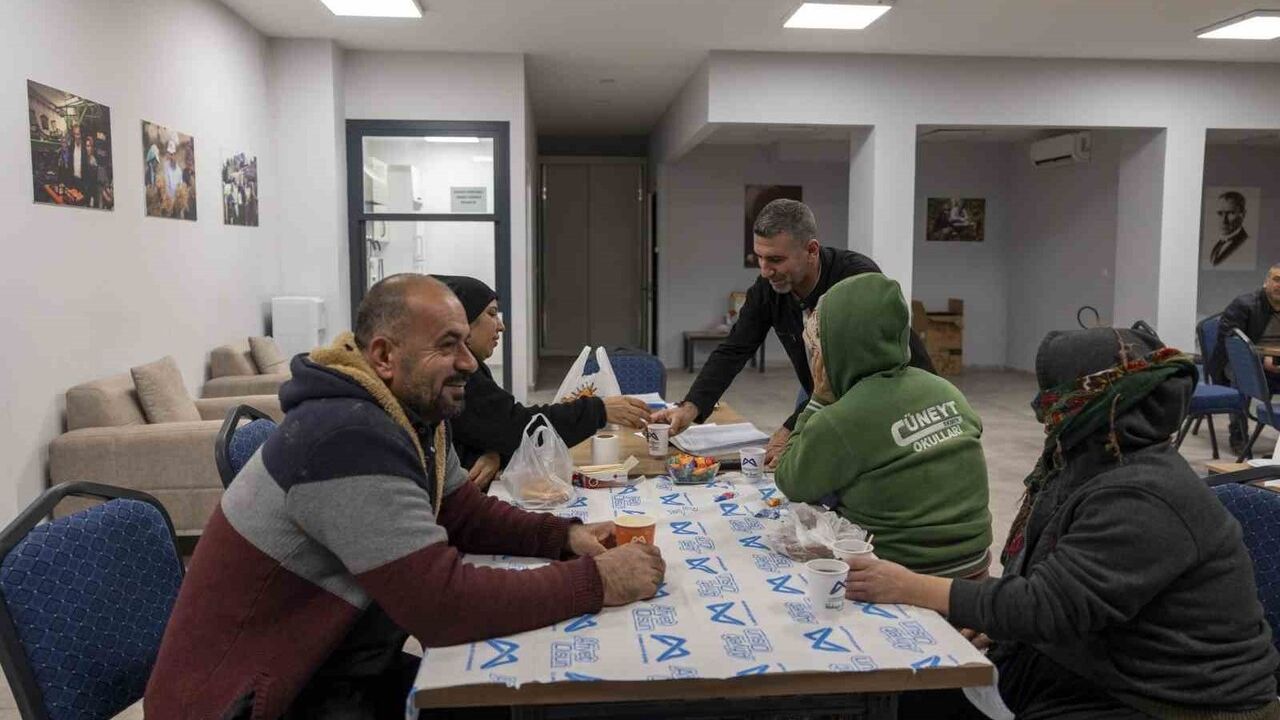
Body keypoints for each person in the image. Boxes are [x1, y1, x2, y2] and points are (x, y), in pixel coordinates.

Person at [145, 274, 666, 720]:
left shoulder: (412, 412)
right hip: (252, 700)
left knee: (495, 701)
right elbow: (440, 605)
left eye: (466, 341)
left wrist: (565, 535)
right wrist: (597, 580)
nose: (468, 363)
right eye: (446, 345)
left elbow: (462, 512)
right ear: (385, 356)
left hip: (330, 659)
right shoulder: (347, 436)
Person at [844, 327, 1280, 719]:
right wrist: (997, 619)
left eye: (1052, 398)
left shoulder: (1143, 494)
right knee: (914, 694)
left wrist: (909, 586)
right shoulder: (1093, 461)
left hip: (1173, 702)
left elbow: (1046, 607)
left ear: (1082, 406)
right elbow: (1056, 589)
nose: (1044, 412)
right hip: (1099, 664)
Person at [651, 199, 935, 466]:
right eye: (759, 258)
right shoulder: (768, 288)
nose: (765, 271)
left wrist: (792, 427)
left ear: (811, 250)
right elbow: (735, 348)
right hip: (820, 386)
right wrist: (691, 407)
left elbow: (851, 378)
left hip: (889, 391)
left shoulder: (857, 281)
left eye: (775, 260)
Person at [774, 274, 992, 578]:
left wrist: (817, 401)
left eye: (817, 348)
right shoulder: (945, 390)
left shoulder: (840, 419)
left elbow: (791, 480)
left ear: (835, 348)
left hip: (902, 570)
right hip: (974, 562)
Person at [437, 275, 650, 489]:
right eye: (491, 314)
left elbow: (496, 427)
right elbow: (515, 426)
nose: (501, 326)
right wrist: (598, 409)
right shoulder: (452, 377)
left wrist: (494, 452)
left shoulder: (471, 369)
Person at [1213, 263, 1280, 454]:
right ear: (1266, 282)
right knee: (1241, 373)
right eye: (1277, 280)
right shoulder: (1244, 305)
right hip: (1239, 363)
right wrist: (1261, 360)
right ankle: (1239, 434)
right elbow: (1230, 343)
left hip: (1274, 364)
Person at [1211, 191, 1250, 267]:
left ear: (1243, 214)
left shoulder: (1247, 244)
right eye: (1220, 213)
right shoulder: (1219, 243)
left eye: (1230, 213)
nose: (1224, 220)